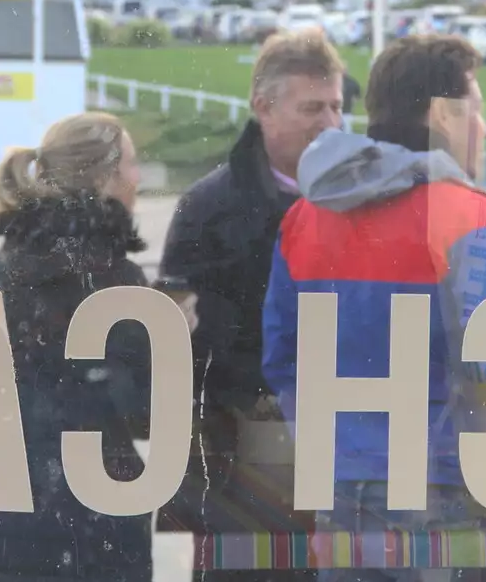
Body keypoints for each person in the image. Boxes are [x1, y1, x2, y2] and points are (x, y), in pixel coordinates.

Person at [261, 34, 486, 582]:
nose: (482, 129)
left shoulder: (304, 218)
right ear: (442, 114)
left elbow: (280, 360)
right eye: (476, 113)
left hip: (339, 485)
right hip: (443, 488)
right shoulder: (463, 214)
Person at [155, 30, 346, 574]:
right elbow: (182, 346)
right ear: (263, 106)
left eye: (336, 106)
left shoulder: (361, 201)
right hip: (242, 456)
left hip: (344, 453)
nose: (330, 123)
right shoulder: (208, 208)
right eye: (312, 108)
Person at [0, 112, 153, 582]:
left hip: (11, 510)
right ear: (105, 176)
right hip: (101, 521)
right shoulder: (120, 282)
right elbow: (145, 413)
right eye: (129, 163)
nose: (138, 177)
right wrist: (173, 340)